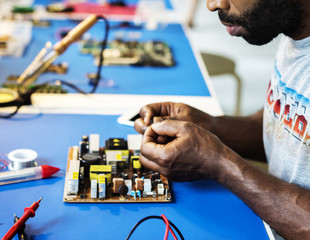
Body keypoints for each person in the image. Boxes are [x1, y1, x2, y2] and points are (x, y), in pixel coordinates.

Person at [134, 0, 310, 239]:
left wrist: (220, 164)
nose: (213, 4)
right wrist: (209, 126)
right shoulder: (295, 33)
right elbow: (282, 131)